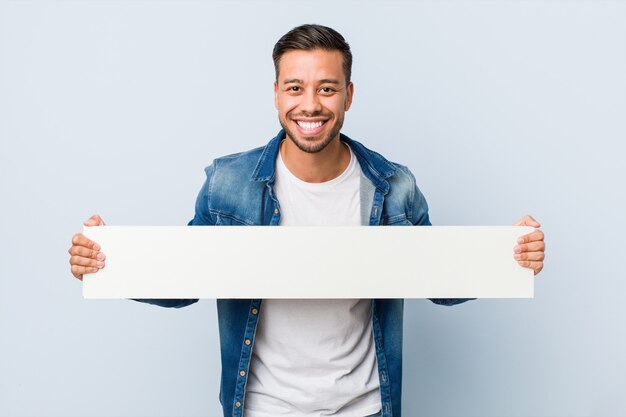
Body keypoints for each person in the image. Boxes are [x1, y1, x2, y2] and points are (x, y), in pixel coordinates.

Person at [67, 24, 545, 417]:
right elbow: (185, 280)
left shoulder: (392, 185)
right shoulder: (228, 183)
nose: (310, 104)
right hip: (261, 409)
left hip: (367, 408)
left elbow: (439, 278)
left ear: (348, 95)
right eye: (295, 87)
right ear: (276, 94)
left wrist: (509, 254)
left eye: (327, 88)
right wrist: (109, 260)